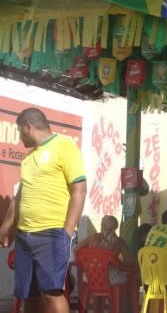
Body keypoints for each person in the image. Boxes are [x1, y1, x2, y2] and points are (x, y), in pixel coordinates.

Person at [0, 108, 87, 313]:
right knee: (28, 295)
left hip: (51, 235)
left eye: (20, 131)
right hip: (24, 236)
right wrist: (6, 227)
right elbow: (19, 197)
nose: (20, 137)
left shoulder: (64, 146)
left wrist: (66, 233)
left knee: (52, 293)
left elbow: (79, 190)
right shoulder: (28, 159)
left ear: (28, 127)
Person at [74, 215, 135, 285]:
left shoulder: (92, 238)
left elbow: (76, 250)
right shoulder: (119, 242)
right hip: (109, 278)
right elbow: (129, 261)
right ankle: (121, 295)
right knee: (129, 276)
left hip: (89, 277)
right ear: (114, 229)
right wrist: (119, 263)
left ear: (101, 226)